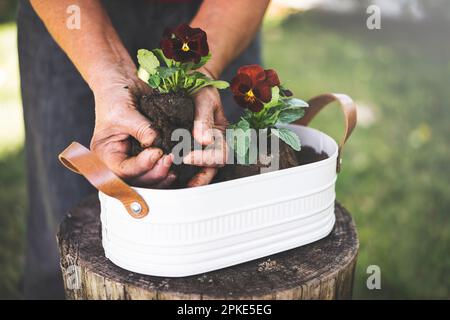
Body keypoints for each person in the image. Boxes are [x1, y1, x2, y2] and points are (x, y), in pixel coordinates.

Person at [18, 0, 269, 299]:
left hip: (211, 13)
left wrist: (200, 72)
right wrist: (109, 77)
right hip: (74, 17)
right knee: (66, 228)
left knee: (225, 227)